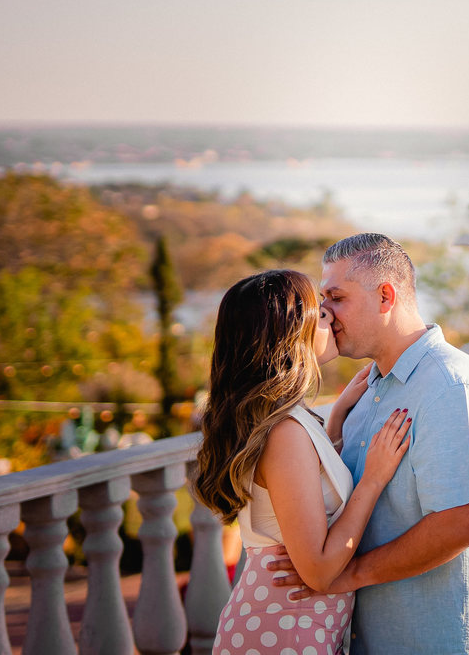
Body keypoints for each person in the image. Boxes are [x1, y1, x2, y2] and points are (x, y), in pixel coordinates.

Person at [269, 232, 469, 655]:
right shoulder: (367, 392)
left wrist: (350, 574)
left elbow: (464, 522)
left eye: (336, 297)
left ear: (386, 296)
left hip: (438, 641)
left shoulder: (450, 386)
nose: (324, 313)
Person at [194, 269, 412, 655]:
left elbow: (309, 492)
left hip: (289, 626)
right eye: (322, 313)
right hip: (285, 630)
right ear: (292, 334)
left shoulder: (285, 421)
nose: (332, 316)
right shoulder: (285, 432)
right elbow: (320, 571)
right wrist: (373, 480)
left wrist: (336, 419)